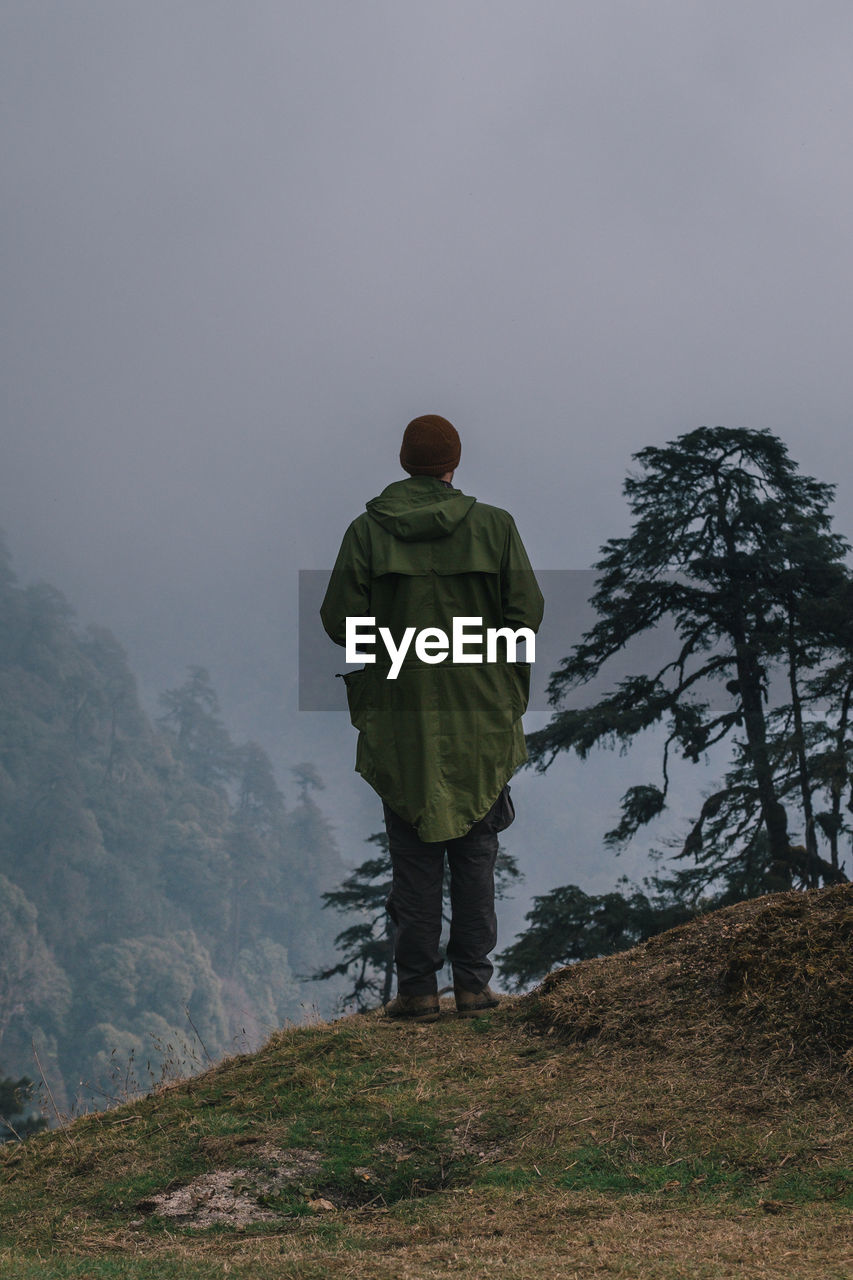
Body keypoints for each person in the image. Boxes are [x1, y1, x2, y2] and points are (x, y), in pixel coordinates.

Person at [320, 414, 544, 1021]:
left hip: (402, 719)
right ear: (453, 465)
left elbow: (340, 621)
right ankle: (473, 987)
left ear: (404, 463)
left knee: (413, 859)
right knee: (476, 851)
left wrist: (396, 652)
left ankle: (416, 993)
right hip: (480, 717)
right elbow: (526, 612)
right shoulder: (495, 528)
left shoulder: (368, 533)